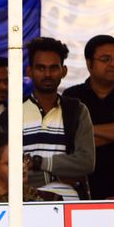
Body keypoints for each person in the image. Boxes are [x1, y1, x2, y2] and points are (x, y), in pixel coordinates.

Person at [63, 35, 114, 200]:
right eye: (106, 59)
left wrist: (85, 130)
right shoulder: (73, 96)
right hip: (85, 185)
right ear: (89, 64)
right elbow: (72, 141)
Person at [23, 37, 95, 199]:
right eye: (41, 68)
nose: (47, 74)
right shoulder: (13, 113)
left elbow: (86, 162)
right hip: (24, 202)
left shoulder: (77, 110)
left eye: (53, 68)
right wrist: (54, 175)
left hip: (69, 202)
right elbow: (7, 166)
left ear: (64, 71)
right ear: (29, 71)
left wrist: (38, 162)